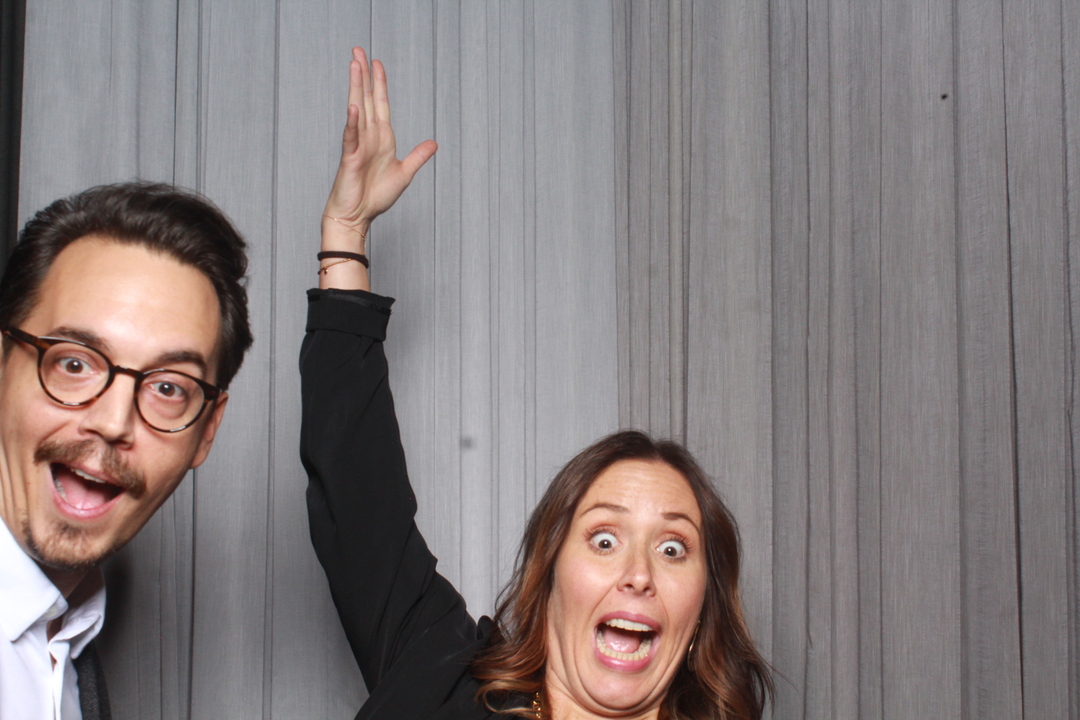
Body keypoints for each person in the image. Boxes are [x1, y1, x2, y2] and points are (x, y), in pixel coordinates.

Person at [302, 48, 771, 719]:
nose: (638, 574)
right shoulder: (440, 677)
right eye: (604, 539)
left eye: (674, 549)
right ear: (547, 578)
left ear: (703, 613)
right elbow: (357, 495)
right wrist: (346, 234)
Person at [0, 182, 252, 720]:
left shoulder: (68, 648)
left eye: (168, 387)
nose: (113, 422)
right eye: (75, 363)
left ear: (207, 430)